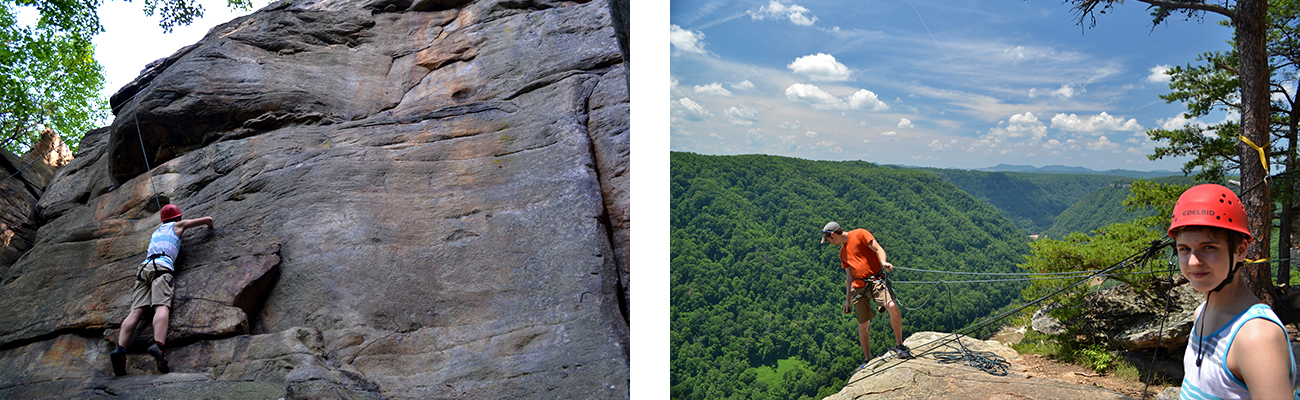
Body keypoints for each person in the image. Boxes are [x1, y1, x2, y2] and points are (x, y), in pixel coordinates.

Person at [1170, 184, 1296, 399]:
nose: (1193, 262)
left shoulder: (1256, 336)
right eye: (1184, 249)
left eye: (1209, 247)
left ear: (1240, 250)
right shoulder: (1201, 312)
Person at [110, 204, 213, 376]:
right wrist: (211, 226)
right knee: (162, 306)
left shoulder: (156, 231)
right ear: (177, 218)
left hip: (144, 268)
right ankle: (159, 347)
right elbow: (208, 220)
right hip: (162, 267)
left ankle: (120, 351)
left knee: (136, 311)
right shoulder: (178, 225)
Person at [821, 221, 911, 369]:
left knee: (891, 305)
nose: (830, 243)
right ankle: (868, 360)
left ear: (832, 234)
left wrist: (884, 262)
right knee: (863, 325)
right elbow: (849, 277)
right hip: (859, 286)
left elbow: (878, 248)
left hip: (876, 280)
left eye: (829, 240)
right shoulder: (842, 252)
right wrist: (847, 300)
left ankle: (900, 345)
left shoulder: (860, 234)